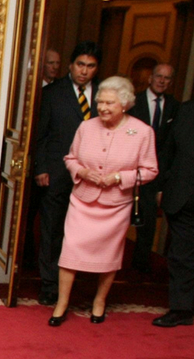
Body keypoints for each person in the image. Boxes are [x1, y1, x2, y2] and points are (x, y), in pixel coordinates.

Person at [48, 76, 157, 326]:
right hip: (82, 200)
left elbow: (150, 170)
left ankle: (99, 301)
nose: (103, 108)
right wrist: (83, 172)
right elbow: (70, 158)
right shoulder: (86, 127)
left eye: (110, 103)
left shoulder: (142, 132)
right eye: (100, 102)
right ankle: (61, 304)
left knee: (109, 256)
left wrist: (119, 177)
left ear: (125, 104)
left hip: (116, 206)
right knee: (70, 251)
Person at [33, 41, 101, 305]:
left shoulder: (105, 94)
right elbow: (41, 134)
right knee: (52, 230)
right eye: (80, 64)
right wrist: (41, 168)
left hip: (93, 175)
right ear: (71, 65)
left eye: (90, 66)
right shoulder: (52, 93)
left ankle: (78, 284)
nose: (84, 71)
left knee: (85, 232)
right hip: (57, 172)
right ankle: (50, 285)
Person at [129, 63, 178, 273]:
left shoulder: (175, 107)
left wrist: (163, 182)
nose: (162, 81)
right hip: (128, 169)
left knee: (147, 224)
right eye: (159, 76)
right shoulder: (133, 101)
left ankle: (139, 269)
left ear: (171, 82)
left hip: (154, 174)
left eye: (166, 78)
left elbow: (170, 147)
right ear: (150, 78)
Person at [153, 99, 194, 327]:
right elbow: (168, 150)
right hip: (182, 196)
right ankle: (182, 309)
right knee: (181, 255)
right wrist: (161, 186)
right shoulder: (185, 110)